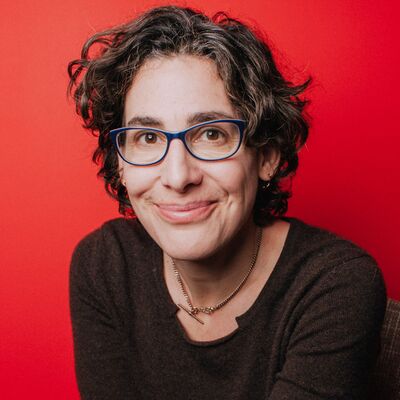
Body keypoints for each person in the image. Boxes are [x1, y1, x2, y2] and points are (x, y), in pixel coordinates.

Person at [68, 5, 386, 399]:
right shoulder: (105, 265)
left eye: (212, 134)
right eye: (148, 138)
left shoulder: (334, 284)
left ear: (267, 155)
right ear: (120, 165)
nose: (178, 176)